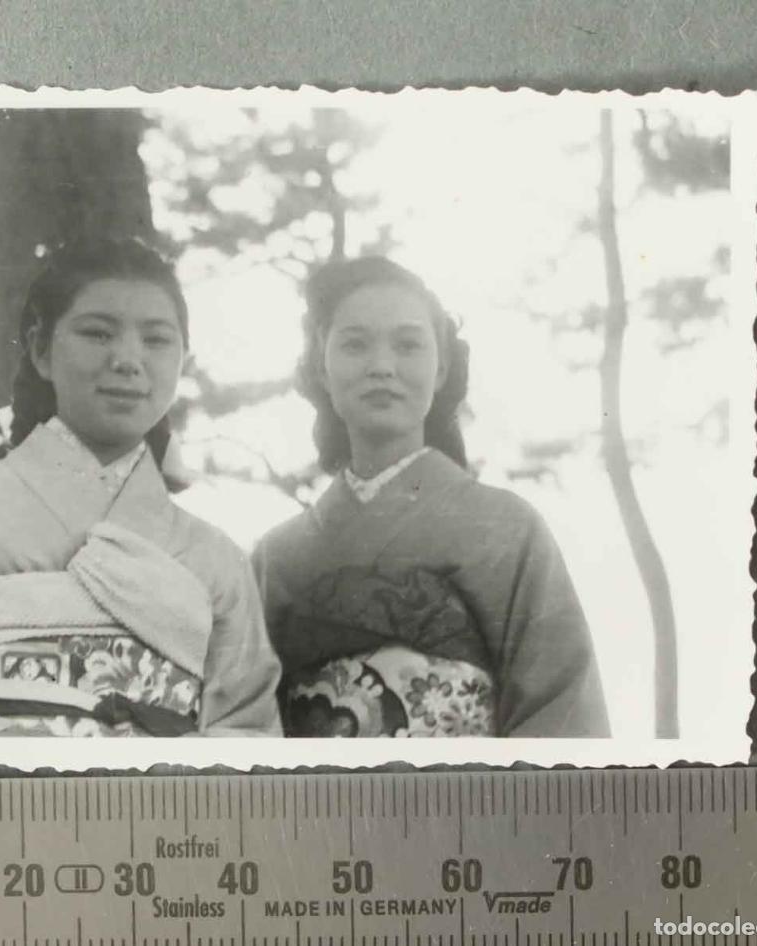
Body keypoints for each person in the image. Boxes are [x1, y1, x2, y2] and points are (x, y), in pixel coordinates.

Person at [0, 238, 282, 737]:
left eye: (157, 340)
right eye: (97, 333)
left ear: (183, 361)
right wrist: (10, 751)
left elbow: (248, 730)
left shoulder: (216, 558)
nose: (129, 360)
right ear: (41, 350)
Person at [253, 257, 608, 738]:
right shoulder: (277, 558)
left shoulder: (507, 527)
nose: (382, 367)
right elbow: (249, 724)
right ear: (322, 363)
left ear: (441, 368)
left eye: (408, 345)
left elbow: (560, 708)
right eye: (355, 344)